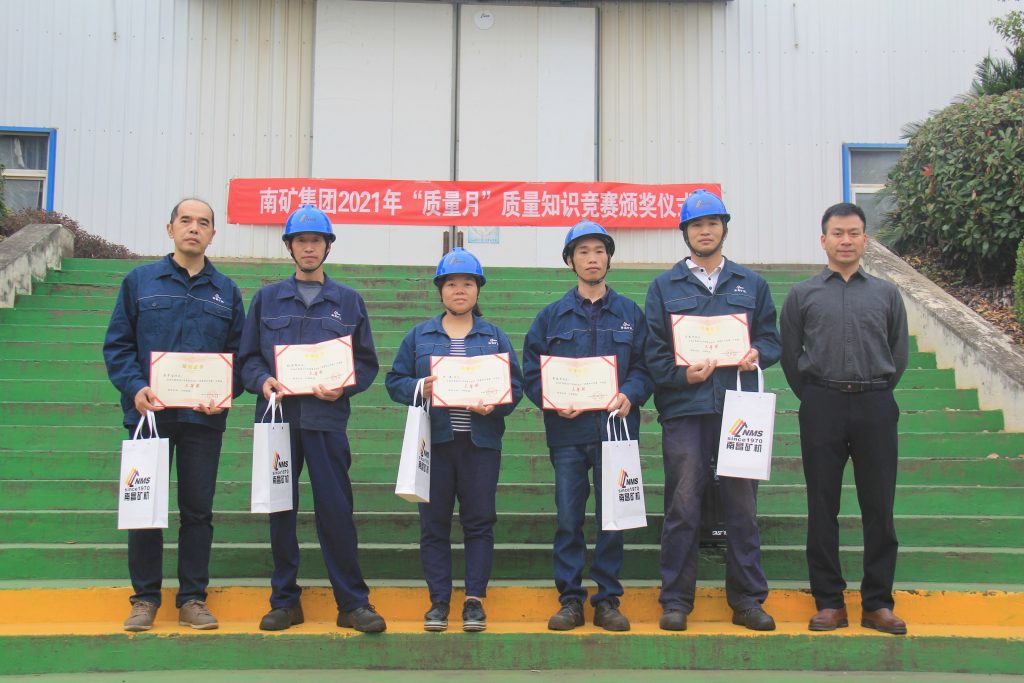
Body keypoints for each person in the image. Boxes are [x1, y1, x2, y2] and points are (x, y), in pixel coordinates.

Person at [238, 204, 386, 633]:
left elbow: (365, 362)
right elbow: (247, 358)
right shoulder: (266, 300)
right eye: (301, 241)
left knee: (336, 511)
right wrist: (263, 380)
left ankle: (352, 603)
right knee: (280, 509)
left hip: (326, 420)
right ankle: (285, 601)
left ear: (327, 247)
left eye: (316, 241)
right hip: (278, 420)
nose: (308, 248)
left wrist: (344, 386)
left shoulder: (348, 302)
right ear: (290, 247)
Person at [104, 198, 245, 632]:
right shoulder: (140, 282)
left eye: (203, 223)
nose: (194, 228)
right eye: (186, 221)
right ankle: (145, 599)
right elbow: (118, 345)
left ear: (213, 234)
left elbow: (239, 357)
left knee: (198, 510)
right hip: (150, 415)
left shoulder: (227, 291)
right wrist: (135, 387)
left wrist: (224, 392)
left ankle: (192, 599)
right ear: (170, 229)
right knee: (145, 507)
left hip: (203, 419)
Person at [644, 189, 781, 632]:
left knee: (742, 507)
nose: (705, 231)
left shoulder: (751, 284)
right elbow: (654, 354)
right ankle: (676, 601)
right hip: (685, 410)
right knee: (683, 506)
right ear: (685, 232)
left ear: (724, 228)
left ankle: (747, 601)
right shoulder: (664, 287)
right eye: (696, 225)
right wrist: (685, 376)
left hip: (739, 409)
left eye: (712, 223)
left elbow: (771, 339)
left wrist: (757, 353)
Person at [780, 202, 909, 635]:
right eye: (838, 233)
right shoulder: (802, 294)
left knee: (879, 508)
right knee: (822, 507)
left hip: (875, 404)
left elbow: (898, 352)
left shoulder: (886, 294)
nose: (846, 240)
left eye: (854, 233)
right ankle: (829, 603)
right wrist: (816, 395)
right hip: (822, 405)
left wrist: (877, 390)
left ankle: (878, 604)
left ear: (865, 239)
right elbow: (790, 354)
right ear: (824, 240)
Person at [521, 221, 653, 632]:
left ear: (609, 259)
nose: (592, 259)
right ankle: (570, 601)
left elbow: (646, 366)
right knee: (568, 518)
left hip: (617, 432)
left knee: (613, 518)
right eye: (583, 252)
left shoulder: (630, 314)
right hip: (568, 436)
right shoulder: (551, 317)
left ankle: (608, 600)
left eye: (599, 251)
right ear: (570, 261)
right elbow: (531, 372)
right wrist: (552, 399)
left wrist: (630, 392)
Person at [385, 247, 524, 633]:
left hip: (480, 446)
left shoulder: (494, 337)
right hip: (435, 445)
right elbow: (394, 381)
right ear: (440, 290)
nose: (459, 290)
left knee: (479, 523)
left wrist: (494, 405)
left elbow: (515, 387)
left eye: (467, 283)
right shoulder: (420, 336)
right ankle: (439, 601)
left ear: (478, 290)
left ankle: (474, 600)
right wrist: (420, 387)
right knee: (434, 525)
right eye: (451, 284)